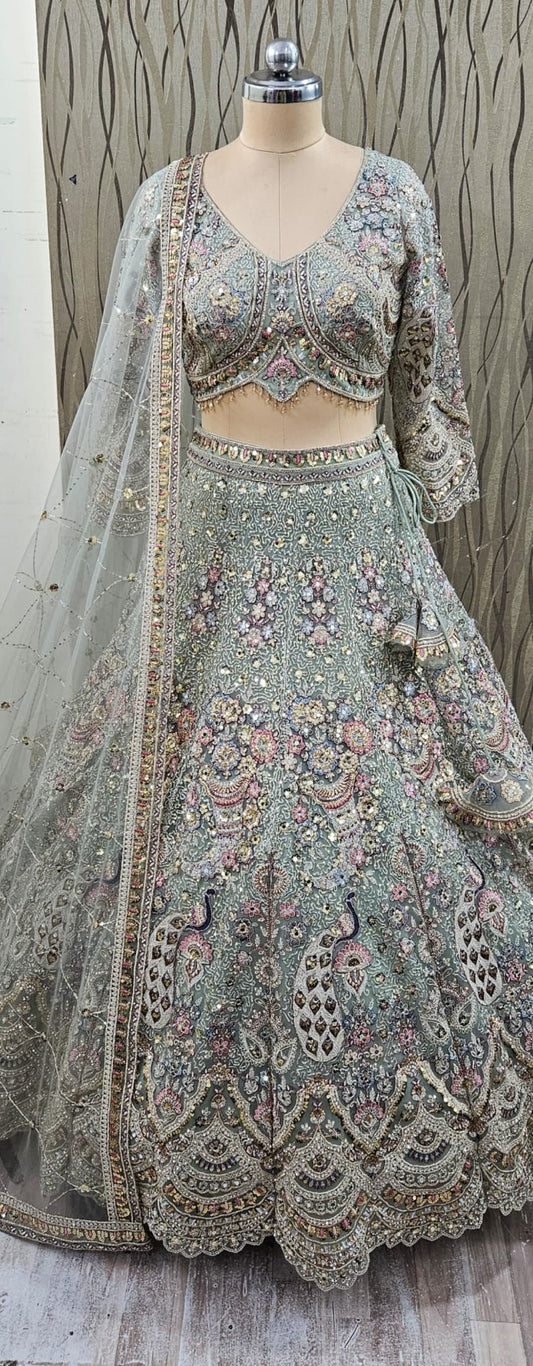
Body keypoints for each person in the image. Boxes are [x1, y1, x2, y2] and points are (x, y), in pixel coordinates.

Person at [0, 39, 531, 1290]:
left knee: (386, 836)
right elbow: (129, 408)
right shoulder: (169, 202)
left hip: (358, 554)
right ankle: (183, 1145)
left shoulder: (393, 193)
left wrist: (419, 518)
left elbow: (427, 396)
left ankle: (395, 1145)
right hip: (209, 560)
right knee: (194, 841)